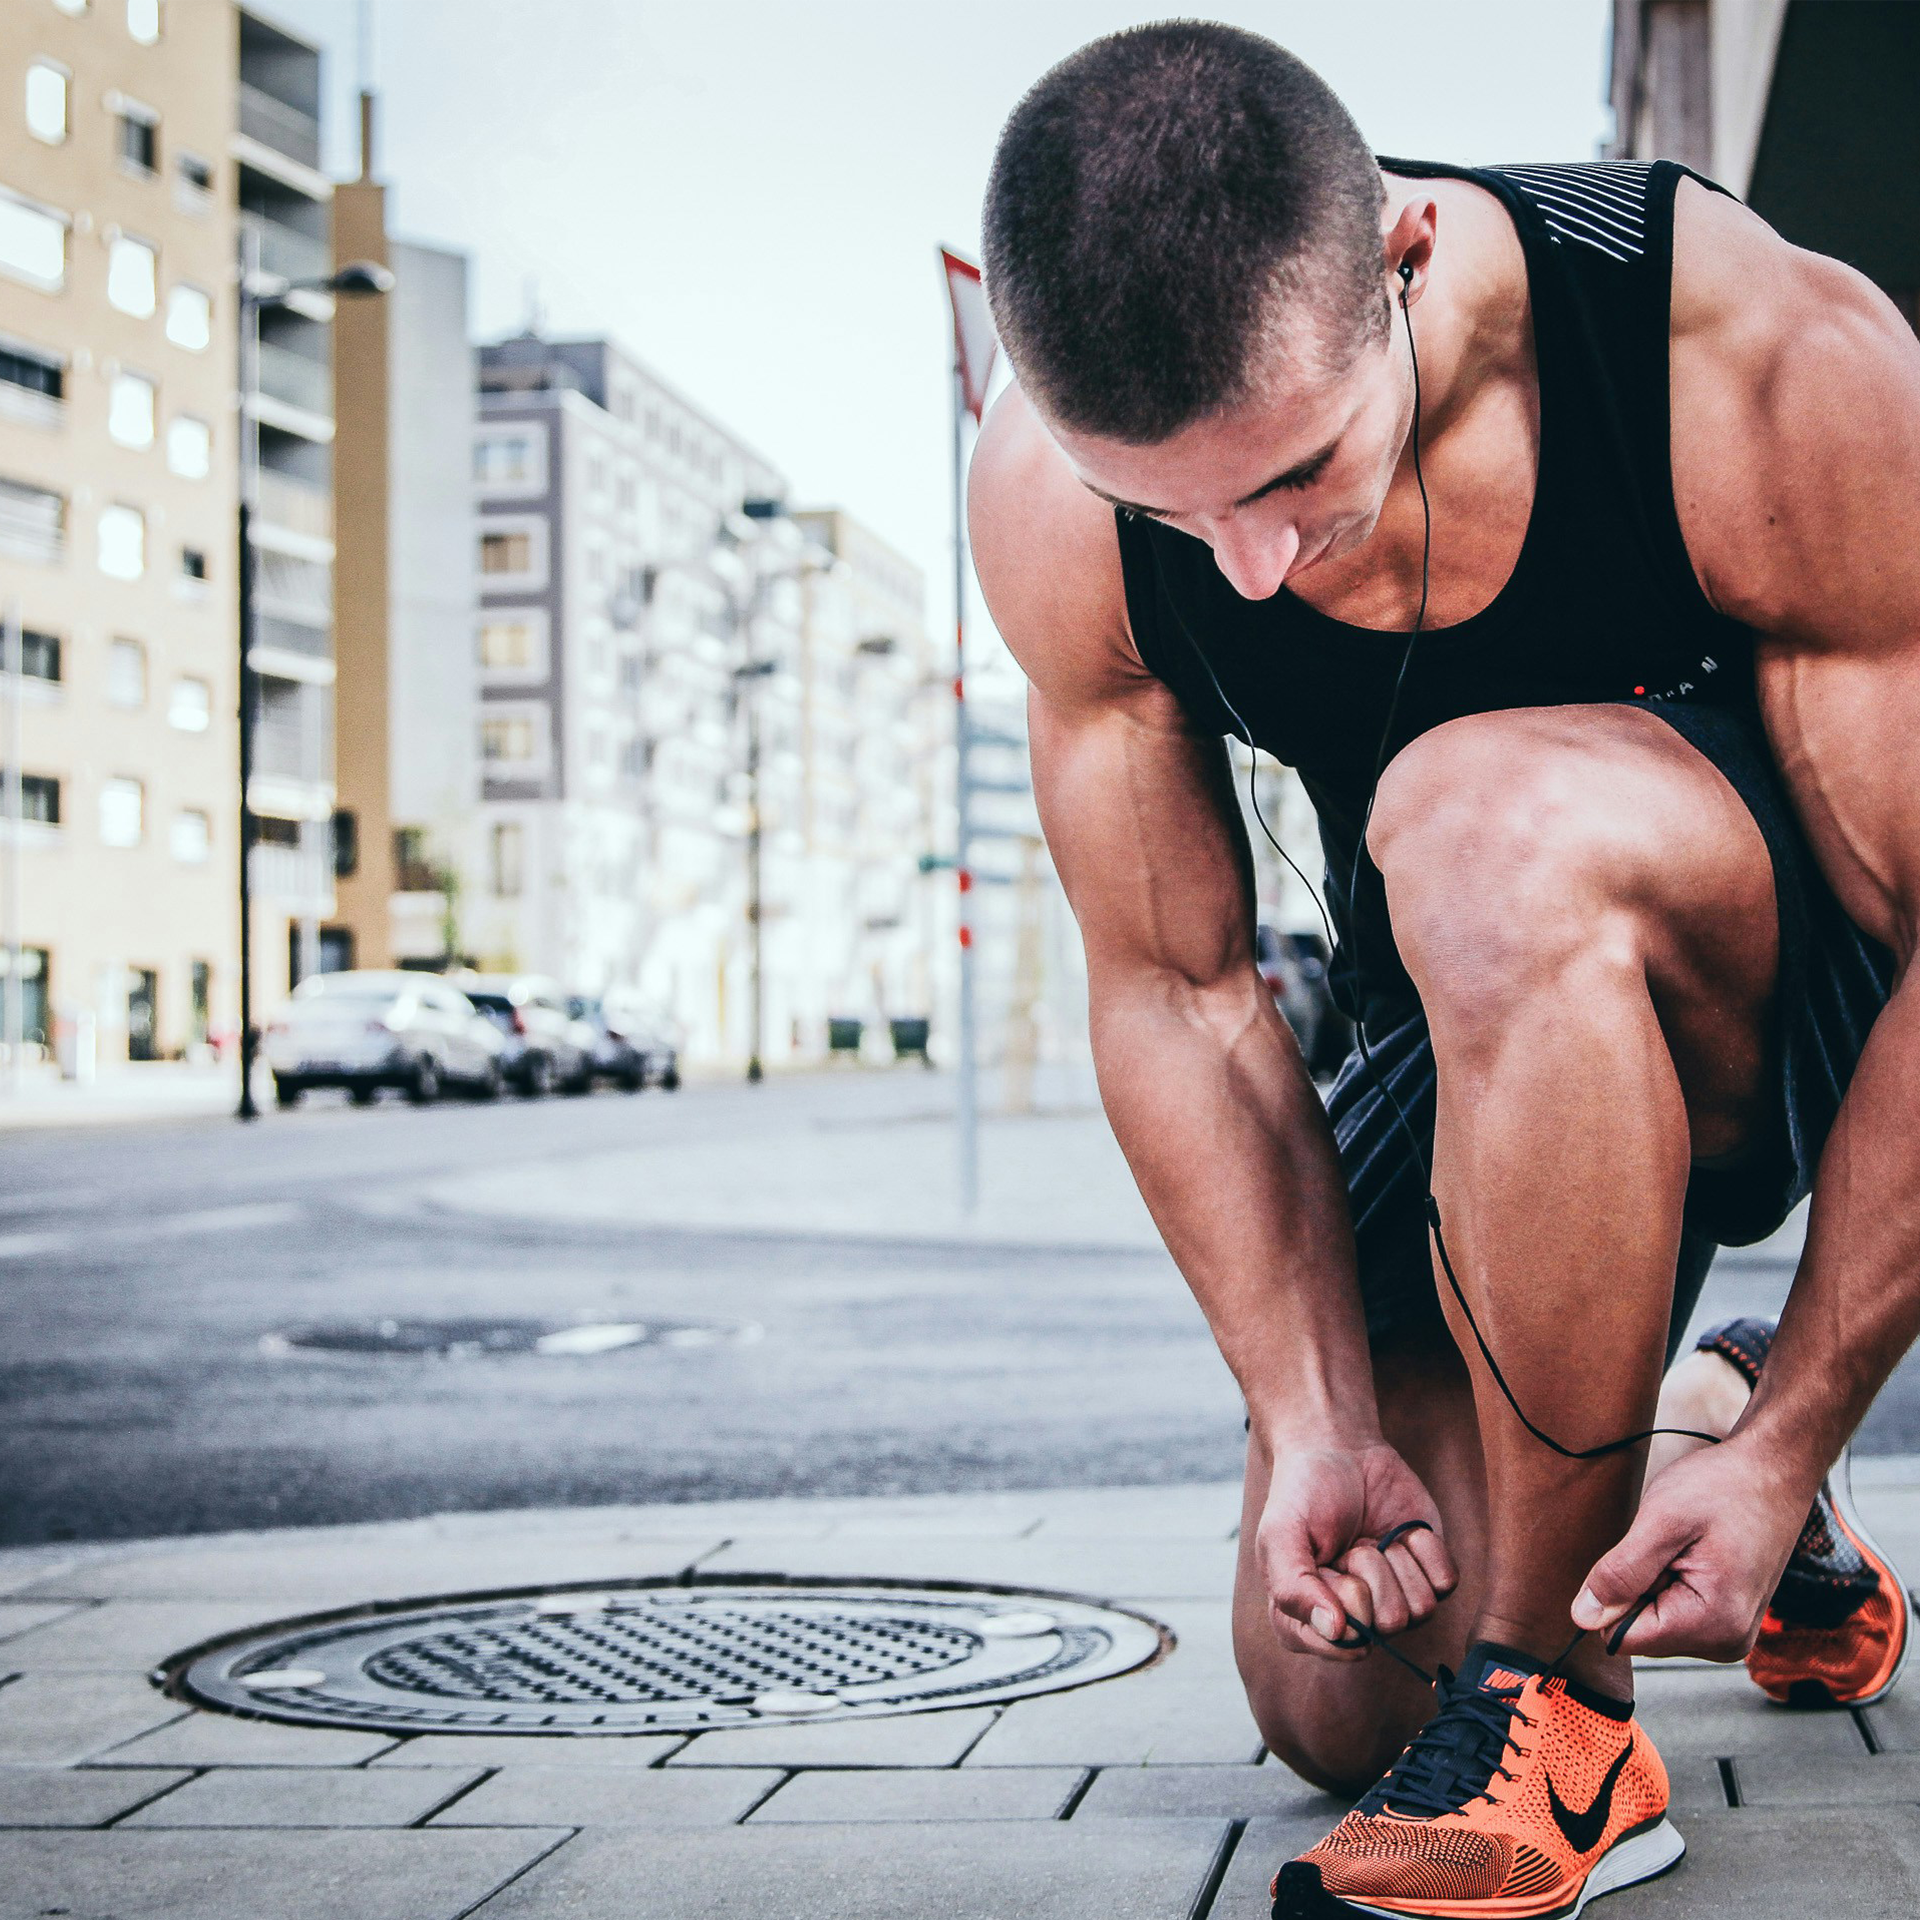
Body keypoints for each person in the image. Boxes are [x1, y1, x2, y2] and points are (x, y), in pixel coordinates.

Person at [969, 23, 1919, 1920]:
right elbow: (1180, 993)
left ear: (1404, 257)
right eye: (1179, 516)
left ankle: (1565, 1726)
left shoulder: (1738, 352)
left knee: (1476, 816)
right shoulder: (1057, 490)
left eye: (1298, 473)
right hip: (1465, 1015)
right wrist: (1311, 1412)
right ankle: (1693, 1436)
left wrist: (1831, 1396)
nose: (1243, 568)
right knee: (1333, 1684)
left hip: (1775, 988)